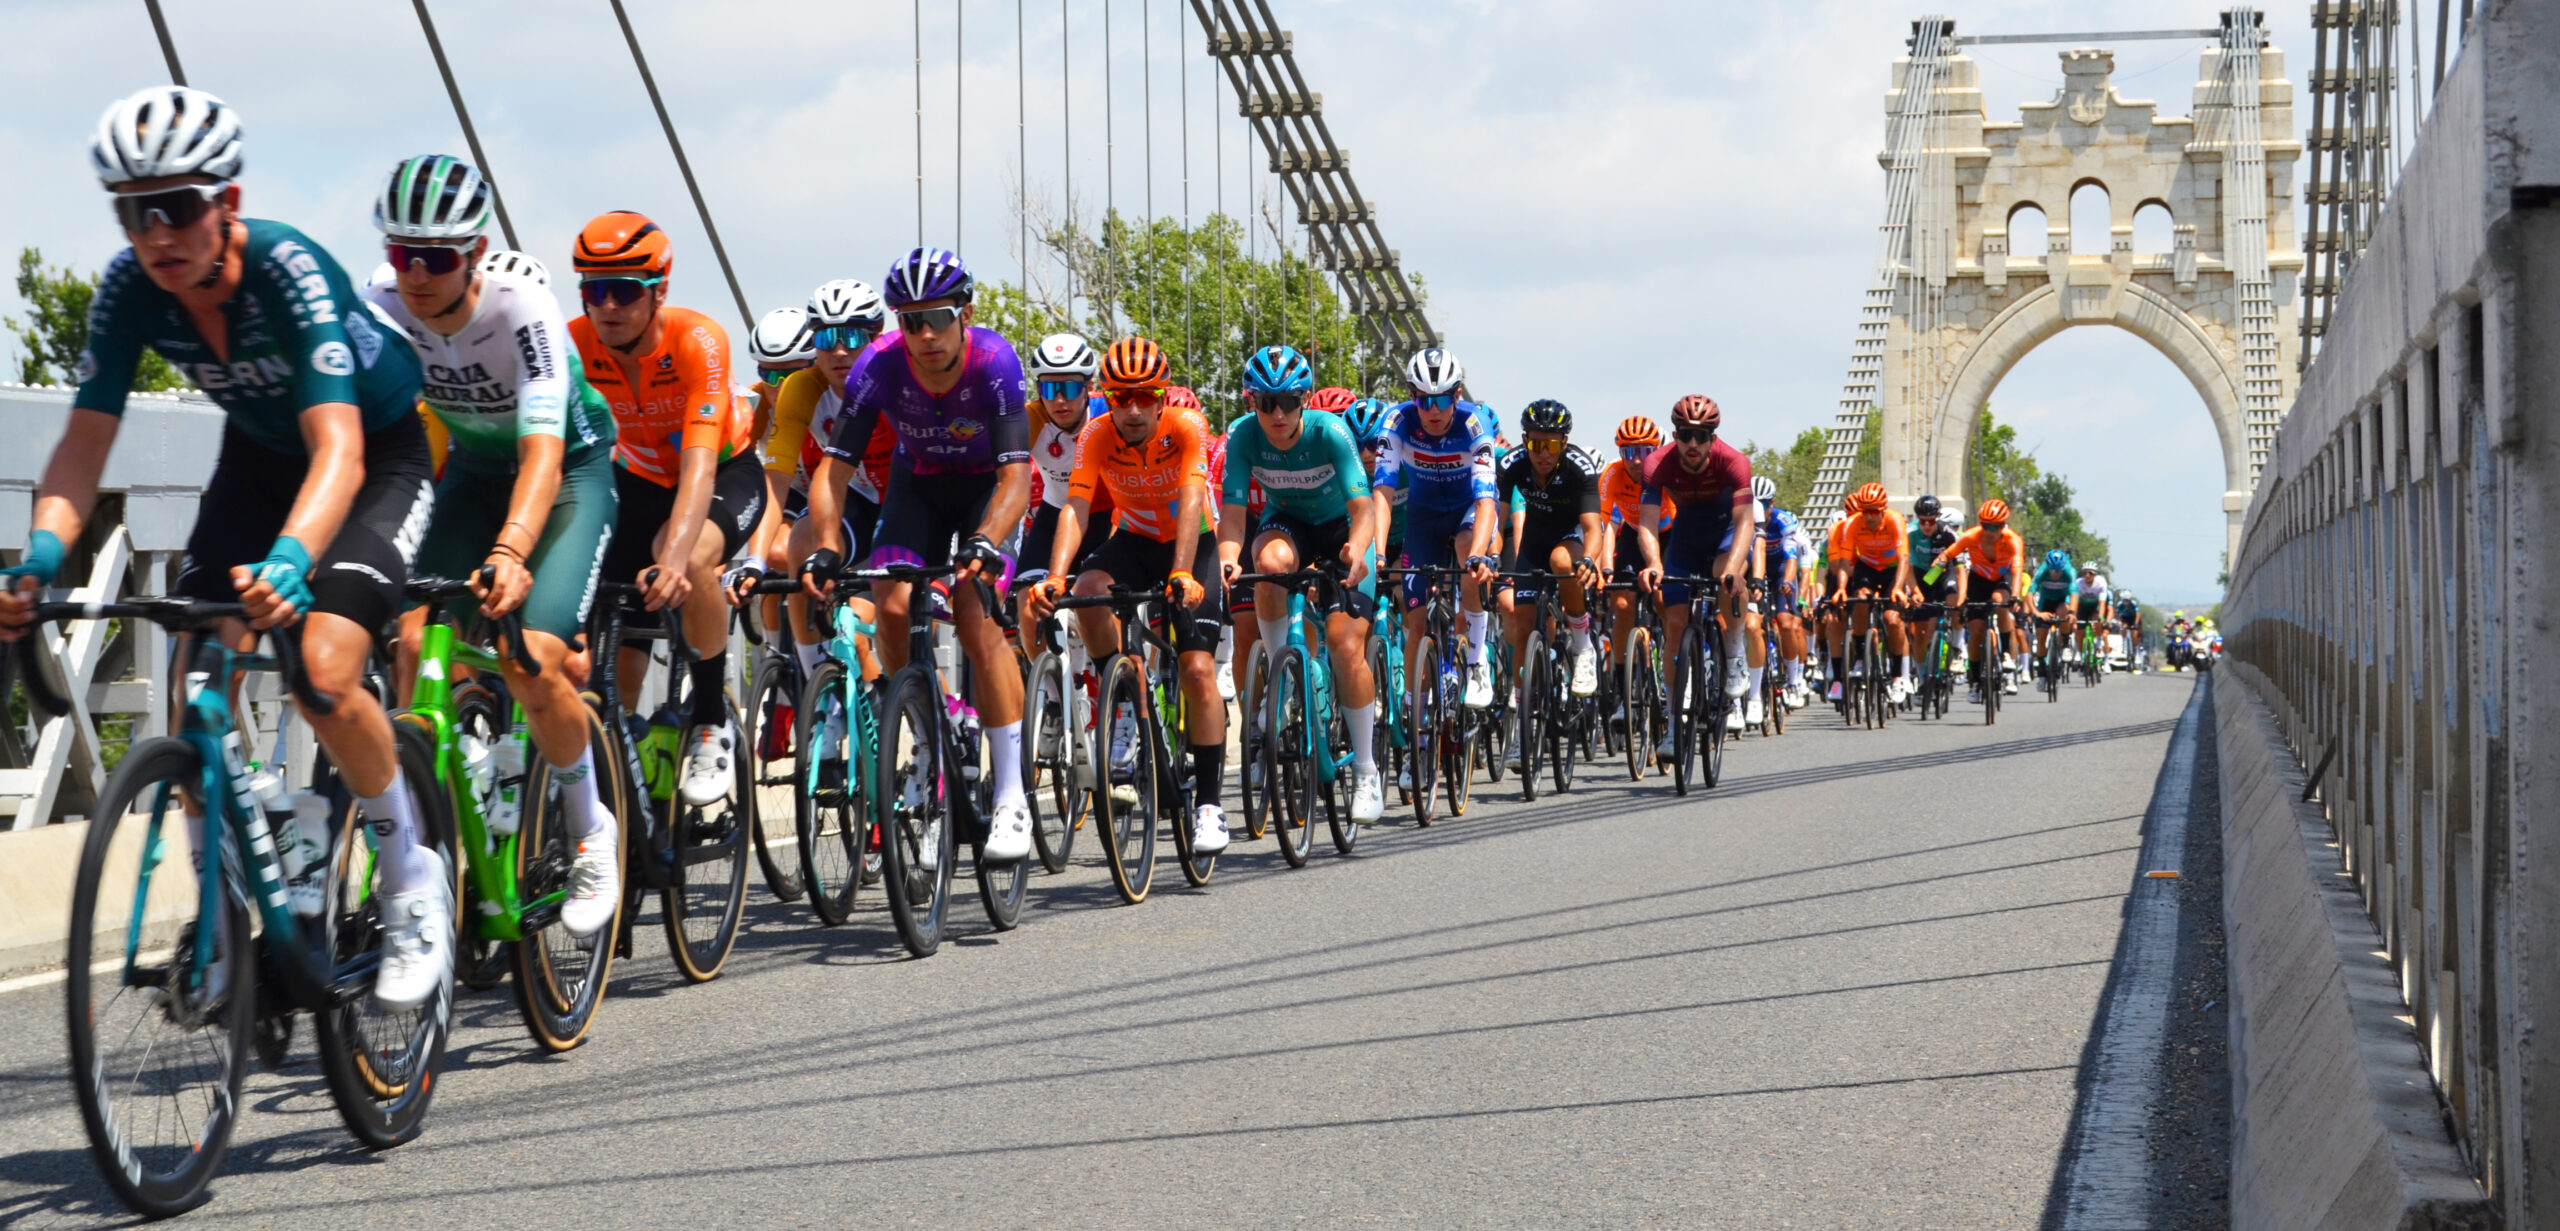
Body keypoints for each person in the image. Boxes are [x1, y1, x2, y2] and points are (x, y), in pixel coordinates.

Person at [0, 89, 447, 1005]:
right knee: (198, 679)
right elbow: (85, 445)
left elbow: (341, 448)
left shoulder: (288, 272)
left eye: (177, 207)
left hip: (377, 453)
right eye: (133, 211)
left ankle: (412, 884)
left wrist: (290, 563)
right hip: (261, 458)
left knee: (323, 668)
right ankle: (222, 926)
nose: (155, 232)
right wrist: (41, 556)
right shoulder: (132, 291)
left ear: (228, 205)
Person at [364, 154, 628, 940]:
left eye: (436, 258)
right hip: (476, 473)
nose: (415, 274)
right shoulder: (378, 302)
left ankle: (590, 829)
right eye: (401, 253)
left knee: (532, 656)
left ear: (474, 254)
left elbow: (544, 453)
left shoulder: (523, 308)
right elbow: (353, 425)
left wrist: (513, 552)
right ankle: (425, 840)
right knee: (412, 634)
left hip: (570, 469)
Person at [802, 247, 1034, 861]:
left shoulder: (996, 362)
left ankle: (1011, 794)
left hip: (988, 490)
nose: (925, 335)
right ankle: (929, 734)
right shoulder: (877, 366)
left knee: (974, 613)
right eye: (910, 322)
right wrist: (826, 547)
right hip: (918, 487)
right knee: (894, 605)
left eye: (937, 318)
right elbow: (833, 470)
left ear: (966, 314)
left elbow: (1017, 479)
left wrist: (986, 540)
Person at [567, 211, 764, 810]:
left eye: (623, 291)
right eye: (592, 290)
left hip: (723, 471)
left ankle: (710, 719)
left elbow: (701, 464)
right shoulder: (572, 343)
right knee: (608, 609)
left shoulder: (697, 339)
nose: (607, 306)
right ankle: (618, 758)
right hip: (639, 480)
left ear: (659, 292)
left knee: (681, 558)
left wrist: (676, 559)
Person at [1027, 337, 1230, 852]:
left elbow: (1190, 501)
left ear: (1162, 397)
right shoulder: (1095, 434)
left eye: (1145, 397)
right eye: (1121, 398)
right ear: (1107, 399)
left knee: (1197, 669)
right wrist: (1055, 576)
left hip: (1192, 544)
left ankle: (1209, 805)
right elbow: (1074, 507)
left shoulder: (1187, 427)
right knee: (1089, 590)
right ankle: (1120, 700)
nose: (1134, 409)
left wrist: (1183, 572)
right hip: (1135, 540)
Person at [1217, 345, 1384, 822]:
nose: (1276, 414)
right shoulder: (1245, 436)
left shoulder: (1330, 431)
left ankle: (1368, 771)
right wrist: (1228, 560)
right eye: (1263, 402)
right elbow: (1232, 515)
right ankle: (1281, 679)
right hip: (1286, 521)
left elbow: (1362, 508)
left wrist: (1355, 548)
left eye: (1287, 402)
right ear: (1251, 402)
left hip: (1339, 529)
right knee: (1266, 564)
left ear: (1304, 399)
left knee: (1343, 644)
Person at [758, 281, 895, 681]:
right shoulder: (800, 388)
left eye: (852, 337)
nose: (839, 350)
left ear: (875, 338)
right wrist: (751, 558)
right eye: (827, 338)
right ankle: (819, 688)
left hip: (913, 502)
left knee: (897, 617)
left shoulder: (899, 378)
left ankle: (931, 717)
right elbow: (774, 479)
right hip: (862, 500)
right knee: (799, 542)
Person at [1375, 347, 1502, 708]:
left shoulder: (1474, 423)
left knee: (1467, 548)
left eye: (1443, 399)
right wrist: (1380, 551)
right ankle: (1418, 728)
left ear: (1457, 395)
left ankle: (1477, 662)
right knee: (1418, 626)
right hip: (1424, 516)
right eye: (1423, 400)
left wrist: (1479, 554)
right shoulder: (1397, 421)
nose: (1433, 410)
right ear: (1412, 395)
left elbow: (1486, 499)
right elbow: (1383, 489)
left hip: (1466, 511)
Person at [1633, 395, 1757, 761]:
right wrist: (1654, 562)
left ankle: (1734, 651)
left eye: (1701, 436)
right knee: (1674, 622)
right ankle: (1672, 726)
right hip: (1687, 535)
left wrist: (1735, 567)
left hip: (1724, 534)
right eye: (1685, 435)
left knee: (1726, 578)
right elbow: (1648, 523)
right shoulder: (1658, 462)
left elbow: (1745, 522)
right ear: (1675, 435)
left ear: (1712, 437)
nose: (1692, 444)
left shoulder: (1734, 461)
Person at [1494, 399, 1605, 756]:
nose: (1544, 453)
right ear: (1525, 439)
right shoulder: (1510, 464)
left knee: (1561, 561)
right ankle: (1523, 720)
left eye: (1553, 444)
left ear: (1565, 442)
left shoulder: (1578, 467)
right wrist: (1490, 555)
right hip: (1532, 543)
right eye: (1536, 444)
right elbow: (1497, 522)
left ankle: (1582, 642)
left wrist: (1589, 558)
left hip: (1569, 539)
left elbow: (1593, 527)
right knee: (1521, 624)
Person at [1819, 483, 1915, 707]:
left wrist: (1898, 588)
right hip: (1868, 567)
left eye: (1874, 512)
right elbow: (1844, 561)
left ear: (1883, 510)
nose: (1870, 517)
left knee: (1893, 619)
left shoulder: (1895, 521)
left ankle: (1898, 676)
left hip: (1892, 569)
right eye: (1866, 512)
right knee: (1861, 599)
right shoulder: (1853, 524)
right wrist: (1842, 588)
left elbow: (1903, 559)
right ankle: (1861, 658)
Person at [1934, 500, 2029, 697]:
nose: (1989, 531)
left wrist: (2015, 597)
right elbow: (1949, 553)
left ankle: (2005, 654)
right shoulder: (1971, 536)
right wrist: (1939, 563)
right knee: (1976, 631)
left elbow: (2017, 571)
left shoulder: (2013, 540)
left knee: (1998, 601)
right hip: (1979, 579)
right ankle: (1975, 681)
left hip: (2002, 578)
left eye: (1995, 527)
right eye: (1985, 525)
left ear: (2003, 525)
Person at [1751, 474, 1812, 715]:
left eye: (1762, 505)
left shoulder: (1783, 521)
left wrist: (1787, 581)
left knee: (1787, 624)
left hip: (1778, 571)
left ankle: (1793, 681)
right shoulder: (1744, 519)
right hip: (1755, 569)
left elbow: (1791, 557)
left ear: (1771, 504)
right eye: (1752, 504)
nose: (1757, 510)